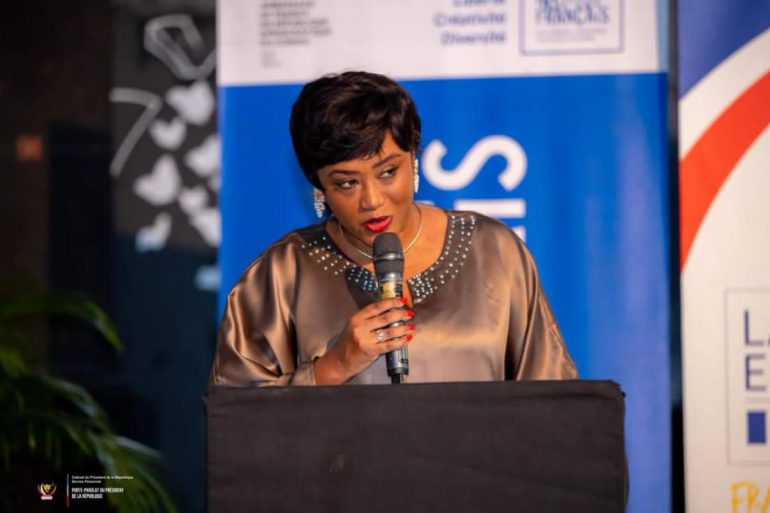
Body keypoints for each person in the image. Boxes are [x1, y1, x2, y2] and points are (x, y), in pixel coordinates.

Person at [209, 71, 577, 386]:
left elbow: (553, 398)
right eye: (347, 183)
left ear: (413, 160)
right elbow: (237, 418)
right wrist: (333, 367)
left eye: (387, 172)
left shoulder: (492, 250)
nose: (371, 200)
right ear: (320, 189)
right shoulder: (282, 275)